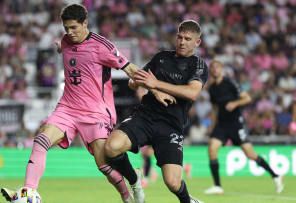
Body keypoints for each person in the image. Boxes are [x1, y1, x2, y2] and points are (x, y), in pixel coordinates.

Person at [1, 4, 153, 203]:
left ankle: (127, 196)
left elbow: (131, 68)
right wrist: (59, 47)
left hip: (96, 112)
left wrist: (156, 89)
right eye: (66, 28)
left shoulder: (102, 46)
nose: (70, 33)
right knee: (41, 139)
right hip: (68, 108)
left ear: (85, 23)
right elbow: (66, 48)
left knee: (103, 164)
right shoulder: (65, 41)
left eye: (74, 28)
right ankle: (28, 192)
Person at [105, 20, 208, 203]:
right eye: (180, 37)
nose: (182, 42)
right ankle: (135, 180)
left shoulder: (198, 65)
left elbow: (192, 92)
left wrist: (156, 84)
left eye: (187, 38)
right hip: (145, 117)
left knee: (173, 183)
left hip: (171, 126)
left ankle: (188, 201)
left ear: (197, 42)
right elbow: (133, 82)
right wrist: (144, 84)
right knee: (111, 147)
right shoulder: (161, 58)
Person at [204, 60, 284, 195]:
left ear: (222, 69)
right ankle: (217, 186)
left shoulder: (230, 82)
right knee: (212, 149)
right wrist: (212, 126)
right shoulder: (211, 88)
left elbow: (247, 98)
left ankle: (275, 175)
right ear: (210, 71)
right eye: (212, 68)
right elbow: (214, 108)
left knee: (250, 154)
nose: (214, 69)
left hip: (236, 124)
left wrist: (235, 103)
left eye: (217, 67)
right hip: (221, 125)